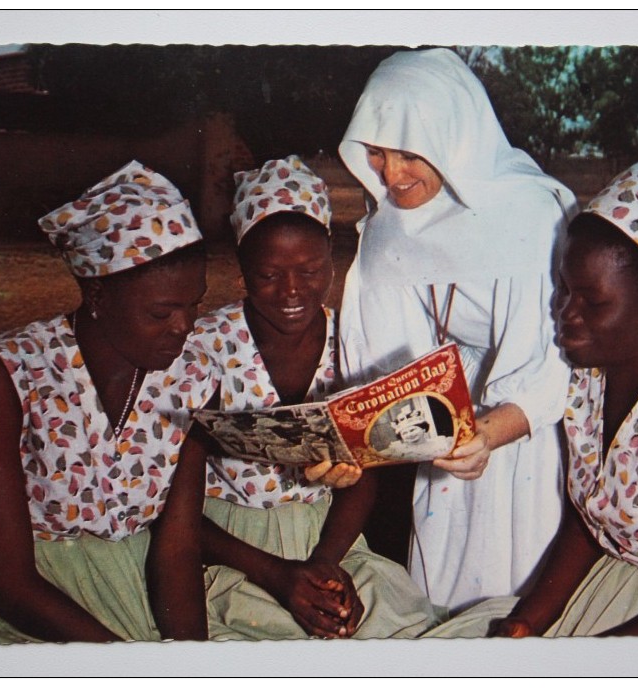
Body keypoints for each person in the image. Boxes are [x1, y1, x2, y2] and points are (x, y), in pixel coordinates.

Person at [0, 161, 211, 643]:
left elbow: (177, 551)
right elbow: (10, 584)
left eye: (194, 304)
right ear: (97, 295)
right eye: (162, 312)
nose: (184, 326)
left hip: (135, 590)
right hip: (25, 607)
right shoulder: (6, 375)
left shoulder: (195, 376)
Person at [337, 48, 577, 612]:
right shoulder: (388, 227)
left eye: (409, 153)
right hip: (446, 417)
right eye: (376, 152)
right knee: (441, 580)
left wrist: (489, 433)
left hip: (527, 424)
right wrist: (349, 443)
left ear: (453, 136)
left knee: (521, 572)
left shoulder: (528, 214)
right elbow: (386, 362)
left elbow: (551, 360)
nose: (391, 175)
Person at [171, 155, 443, 639]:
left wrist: (322, 566)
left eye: (311, 270)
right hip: (234, 551)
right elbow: (177, 510)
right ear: (242, 271)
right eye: (270, 275)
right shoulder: (204, 350)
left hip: (333, 540)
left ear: (333, 264)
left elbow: (364, 473)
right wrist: (279, 576)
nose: (292, 291)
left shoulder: (354, 341)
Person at [481, 160, 638, 637]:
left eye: (592, 302)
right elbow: (591, 523)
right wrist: (528, 620)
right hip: (606, 594)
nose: (565, 314)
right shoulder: (586, 385)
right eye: (562, 290)